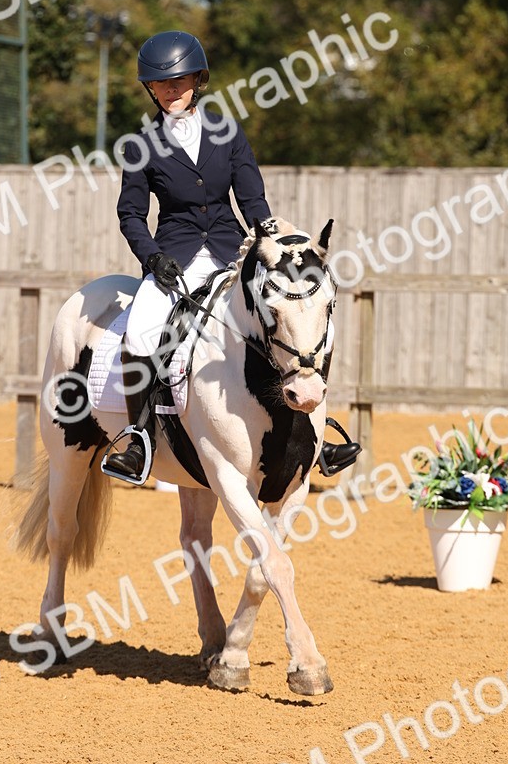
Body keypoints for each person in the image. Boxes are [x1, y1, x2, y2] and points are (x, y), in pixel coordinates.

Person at [103, 29, 358, 484]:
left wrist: (274, 246)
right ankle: (138, 438)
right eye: (162, 85)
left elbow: (254, 203)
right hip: (175, 258)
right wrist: (152, 257)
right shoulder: (140, 145)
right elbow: (131, 215)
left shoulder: (227, 131)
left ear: (197, 79)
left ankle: (314, 432)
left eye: (179, 81)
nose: (171, 90)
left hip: (232, 251)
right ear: (151, 89)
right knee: (142, 332)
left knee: (298, 316)